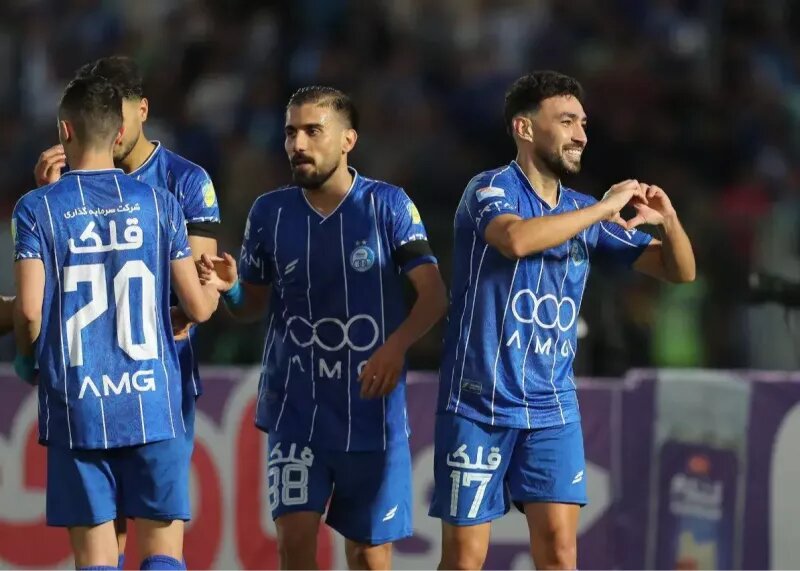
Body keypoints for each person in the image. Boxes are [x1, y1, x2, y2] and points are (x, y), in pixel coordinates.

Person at [429, 70, 696, 570]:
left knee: (560, 552)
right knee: (465, 559)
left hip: (552, 407)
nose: (581, 135)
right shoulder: (489, 188)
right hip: (478, 403)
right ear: (525, 128)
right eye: (567, 121)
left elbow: (679, 270)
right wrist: (604, 209)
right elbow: (516, 240)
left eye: (583, 123)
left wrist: (669, 220)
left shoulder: (581, 210)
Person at [201, 86, 448, 570]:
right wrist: (231, 290)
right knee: (295, 546)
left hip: (371, 414)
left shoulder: (388, 206)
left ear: (348, 140)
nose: (298, 144)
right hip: (296, 411)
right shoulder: (269, 213)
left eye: (313, 131)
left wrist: (395, 347)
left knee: (369, 558)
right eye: (291, 132)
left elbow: (434, 294)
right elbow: (252, 306)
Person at [12, 75, 223, 570]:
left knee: (99, 559)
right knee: (162, 553)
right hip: (153, 400)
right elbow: (197, 308)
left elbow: (28, 309)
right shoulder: (161, 203)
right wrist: (220, 287)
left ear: (65, 131)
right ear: (118, 132)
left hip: (78, 404)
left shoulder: (37, 208)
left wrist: (27, 357)